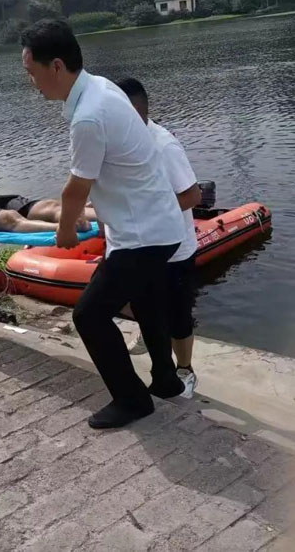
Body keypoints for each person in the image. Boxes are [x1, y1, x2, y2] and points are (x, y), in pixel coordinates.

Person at [21, 19, 187, 429]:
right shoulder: (100, 88)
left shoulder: (89, 116)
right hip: (158, 225)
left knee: (89, 316)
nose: (31, 82)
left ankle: (132, 400)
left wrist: (65, 231)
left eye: (31, 72)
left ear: (56, 66)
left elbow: (76, 188)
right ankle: (166, 381)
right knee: (146, 302)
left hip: (142, 235)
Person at [116, 78, 201, 398]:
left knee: (179, 316)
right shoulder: (124, 143)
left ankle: (185, 371)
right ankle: (153, 342)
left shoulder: (164, 146)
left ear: (135, 112)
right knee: (139, 302)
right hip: (142, 245)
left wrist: (148, 213)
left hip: (174, 249)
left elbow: (192, 195)